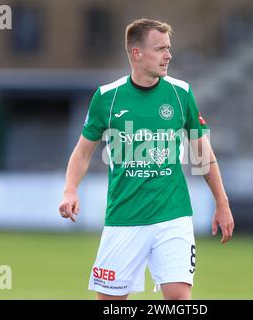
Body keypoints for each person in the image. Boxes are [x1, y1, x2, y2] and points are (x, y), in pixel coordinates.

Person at [59, 18, 234, 300]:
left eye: (169, 48)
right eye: (160, 48)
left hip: (173, 215)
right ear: (136, 53)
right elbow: (82, 152)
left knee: (178, 297)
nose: (169, 55)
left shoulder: (181, 93)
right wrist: (70, 189)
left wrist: (222, 203)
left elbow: (203, 155)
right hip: (124, 217)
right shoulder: (107, 98)